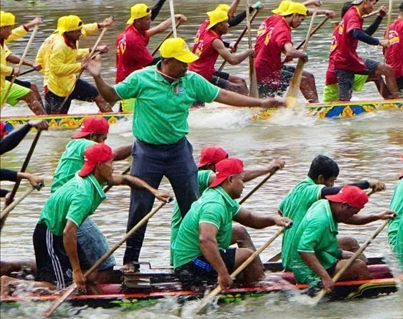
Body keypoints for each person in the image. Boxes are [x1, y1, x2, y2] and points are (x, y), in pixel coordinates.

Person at [83, 37, 281, 272]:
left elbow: (222, 96)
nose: (187, 67)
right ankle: (131, 261)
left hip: (178, 150)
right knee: (140, 206)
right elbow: (111, 96)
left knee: (193, 205)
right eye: (182, 63)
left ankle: (193, 259)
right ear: (167, 62)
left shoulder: (191, 80)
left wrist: (258, 103)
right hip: (147, 152)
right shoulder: (142, 78)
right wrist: (97, 76)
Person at [32, 144, 159, 291]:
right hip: (50, 234)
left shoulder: (95, 178)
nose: (113, 168)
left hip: (61, 233)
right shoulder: (83, 194)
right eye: (110, 163)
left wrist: (154, 191)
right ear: (99, 166)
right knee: (58, 287)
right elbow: (69, 232)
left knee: (91, 276)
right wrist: (76, 270)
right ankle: (10, 283)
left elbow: (126, 179)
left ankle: (102, 306)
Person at [169, 157, 291, 291]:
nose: (243, 184)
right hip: (189, 267)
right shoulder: (214, 206)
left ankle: (257, 274)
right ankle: (257, 291)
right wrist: (223, 274)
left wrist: (274, 220)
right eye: (241, 179)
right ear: (230, 180)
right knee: (247, 255)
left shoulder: (222, 196)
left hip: (198, 256)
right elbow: (205, 240)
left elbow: (250, 218)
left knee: (240, 231)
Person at [289, 185, 393, 290]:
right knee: (359, 266)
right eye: (353, 212)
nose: (351, 216)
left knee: (349, 242)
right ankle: (365, 294)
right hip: (306, 270)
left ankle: (362, 274)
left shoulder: (325, 204)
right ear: (344, 206)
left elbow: (351, 219)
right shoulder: (321, 220)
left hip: (322, 252)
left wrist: (377, 216)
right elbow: (304, 250)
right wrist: (325, 277)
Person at [329, 0, 399, 101]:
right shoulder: (353, 14)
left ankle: (392, 100)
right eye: (373, 3)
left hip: (346, 60)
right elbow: (356, 33)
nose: (373, 7)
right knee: (387, 70)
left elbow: (365, 35)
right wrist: (379, 42)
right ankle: (399, 103)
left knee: (383, 71)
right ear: (365, 1)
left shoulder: (354, 12)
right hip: (346, 61)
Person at [36, 14, 115, 114]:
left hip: (71, 81)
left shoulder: (70, 36)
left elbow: (84, 31)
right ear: (69, 32)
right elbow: (56, 69)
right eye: (78, 31)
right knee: (54, 123)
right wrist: (81, 66)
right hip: (56, 88)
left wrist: (101, 25)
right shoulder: (60, 46)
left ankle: (114, 119)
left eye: (79, 30)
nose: (80, 33)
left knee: (98, 97)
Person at [253, 0, 319, 101]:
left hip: (272, 64)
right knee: (301, 81)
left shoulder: (278, 21)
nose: (300, 23)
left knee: (308, 76)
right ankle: (316, 108)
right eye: (301, 20)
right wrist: (302, 54)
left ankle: (317, 104)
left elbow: (281, 47)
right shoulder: (283, 29)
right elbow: (290, 51)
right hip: (266, 69)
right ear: (295, 15)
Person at [114, 0, 182, 83]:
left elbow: (158, 29)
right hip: (129, 81)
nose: (150, 21)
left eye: (150, 18)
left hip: (122, 76)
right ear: (138, 21)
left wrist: (173, 17)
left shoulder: (132, 28)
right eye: (148, 20)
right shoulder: (134, 40)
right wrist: (174, 57)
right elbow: (152, 64)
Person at [186, 6, 254, 93]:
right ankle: (250, 104)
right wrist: (249, 51)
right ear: (218, 25)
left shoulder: (205, 27)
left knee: (240, 81)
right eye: (226, 22)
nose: (229, 24)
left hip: (198, 70)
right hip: (202, 75)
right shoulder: (215, 41)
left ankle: (245, 104)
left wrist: (229, 45)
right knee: (239, 88)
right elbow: (233, 61)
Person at [1, 13, 46, 115]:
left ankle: (45, 119)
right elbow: (9, 57)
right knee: (31, 90)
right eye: (10, 28)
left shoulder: (2, 39)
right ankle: (45, 120)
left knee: (29, 92)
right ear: (3, 28)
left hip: (2, 81)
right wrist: (12, 70)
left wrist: (32, 24)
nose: (11, 31)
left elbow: (15, 33)